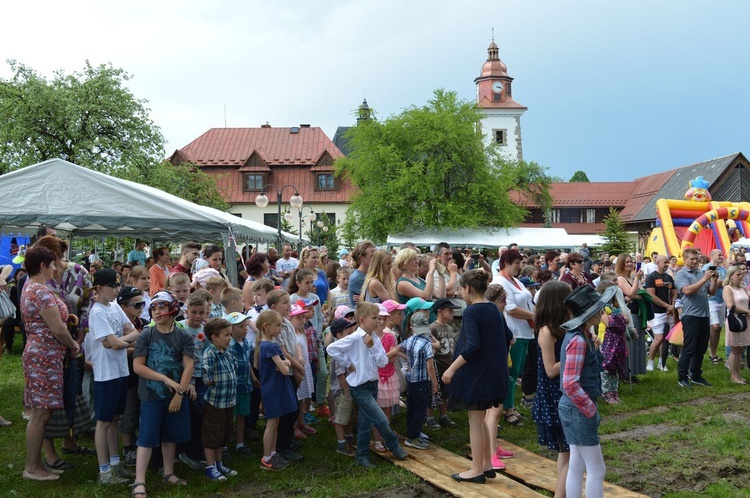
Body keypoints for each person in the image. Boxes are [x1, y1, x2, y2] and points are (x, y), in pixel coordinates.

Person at [442, 270, 509, 484]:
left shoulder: (472, 312)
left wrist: (451, 369)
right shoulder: (494, 308)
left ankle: (476, 469)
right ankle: (487, 465)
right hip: (494, 373)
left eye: (461, 289)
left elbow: (472, 346)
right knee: (480, 419)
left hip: (477, 376)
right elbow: (509, 337)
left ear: (467, 289)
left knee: (475, 421)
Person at [21, 245, 80, 481]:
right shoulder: (41, 291)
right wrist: (73, 345)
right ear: (44, 266)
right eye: (53, 264)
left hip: (43, 355)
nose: (57, 268)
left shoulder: (32, 288)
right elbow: (57, 329)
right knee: (40, 414)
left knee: (42, 413)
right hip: (44, 356)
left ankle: (36, 465)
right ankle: (32, 467)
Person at [326, 302, 409, 469]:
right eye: (375, 318)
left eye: (379, 318)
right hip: (360, 388)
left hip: (373, 385)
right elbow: (331, 349)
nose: (378, 321)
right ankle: (394, 446)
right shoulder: (354, 338)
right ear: (362, 319)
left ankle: (362, 455)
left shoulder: (374, 339)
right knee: (379, 418)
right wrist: (348, 362)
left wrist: (372, 347)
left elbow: (382, 361)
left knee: (365, 423)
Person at [131, 292, 194, 498]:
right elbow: (138, 366)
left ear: (173, 309)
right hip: (151, 396)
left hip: (175, 396)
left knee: (170, 436)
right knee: (146, 437)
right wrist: (165, 380)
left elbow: (188, 366)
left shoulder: (183, 336)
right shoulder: (146, 335)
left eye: (162, 307)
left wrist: (179, 394)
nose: (157, 311)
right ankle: (139, 480)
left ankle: (168, 472)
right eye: (154, 308)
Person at [558, 284, 618, 498]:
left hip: (572, 408)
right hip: (578, 409)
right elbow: (570, 383)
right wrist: (590, 408)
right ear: (589, 314)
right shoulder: (578, 341)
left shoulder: (581, 336)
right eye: (598, 309)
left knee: (577, 463)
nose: (602, 312)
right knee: (597, 469)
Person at [89, 268, 139, 484]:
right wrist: (121, 341)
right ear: (100, 288)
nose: (118, 289)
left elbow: (134, 332)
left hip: (120, 370)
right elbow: (118, 342)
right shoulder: (97, 311)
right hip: (105, 374)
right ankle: (104, 471)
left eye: (118, 285)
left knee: (114, 420)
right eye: (114, 285)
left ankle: (115, 464)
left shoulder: (115, 306)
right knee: (103, 422)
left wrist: (119, 341)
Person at [533, 281, 572, 498]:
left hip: (565, 392)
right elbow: (550, 370)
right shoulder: (547, 331)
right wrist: (576, 354)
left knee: (565, 452)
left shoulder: (564, 327)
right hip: (555, 396)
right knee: (571, 453)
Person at [491, 249, 534, 426]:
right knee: (511, 372)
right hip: (513, 331)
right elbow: (510, 308)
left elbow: (527, 302)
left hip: (525, 331)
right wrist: (534, 317)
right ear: (507, 263)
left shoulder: (515, 281)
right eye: (517, 263)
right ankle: (507, 410)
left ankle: (510, 406)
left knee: (517, 371)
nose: (520, 266)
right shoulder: (500, 281)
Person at [256, 309, 297, 471]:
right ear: (267, 327)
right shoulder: (268, 347)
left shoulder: (270, 345)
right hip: (272, 389)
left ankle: (273, 453)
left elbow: (285, 362)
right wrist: (284, 364)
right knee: (272, 423)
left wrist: (283, 363)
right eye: (278, 325)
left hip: (277, 387)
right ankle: (266, 457)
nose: (280, 328)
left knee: (276, 421)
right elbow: (286, 368)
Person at [201, 317, 239, 481]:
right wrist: (212, 380)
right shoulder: (210, 353)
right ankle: (210, 466)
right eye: (226, 335)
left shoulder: (228, 352)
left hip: (229, 401)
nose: (229, 338)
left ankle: (218, 463)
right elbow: (206, 375)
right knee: (212, 434)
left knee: (224, 433)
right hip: (215, 402)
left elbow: (234, 368)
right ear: (214, 336)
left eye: (230, 335)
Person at [674, 248, 718, 388]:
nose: (695, 261)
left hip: (704, 314)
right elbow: (687, 291)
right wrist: (705, 278)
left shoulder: (700, 273)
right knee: (689, 347)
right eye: (692, 259)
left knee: (701, 348)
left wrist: (714, 281)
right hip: (691, 315)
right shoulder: (681, 274)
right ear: (685, 259)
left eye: (696, 258)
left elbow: (711, 292)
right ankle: (682, 377)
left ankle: (696, 375)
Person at [397, 313, 439, 450]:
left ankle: (413, 432)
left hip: (411, 381)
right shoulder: (426, 344)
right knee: (420, 411)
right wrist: (435, 384)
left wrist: (409, 359)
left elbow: (397, 350)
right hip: (422, 382)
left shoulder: (409, 340)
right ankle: (413, 438)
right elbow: (430, 367)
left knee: (412, 408)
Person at [227, 312, 257, 457]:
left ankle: (240, 443)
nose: (245, 329)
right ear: (231, 329)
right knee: (228, 417)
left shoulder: (246, 344)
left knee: (242, 415)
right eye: (240, 326)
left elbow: (247, 362)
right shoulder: (228, 345)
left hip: (245, 385)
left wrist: (253, 377)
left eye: (245, 326)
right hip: (231, 388)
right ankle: (225, 444)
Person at [329, 318, 358, 456]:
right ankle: (341, 443)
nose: (352, 334)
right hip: (343, 389)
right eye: (349, 332)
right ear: (339, 335)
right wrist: (347, 390)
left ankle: (349, 436)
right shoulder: (338, 350)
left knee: (349, 415)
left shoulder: (347, 347)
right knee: (341, 417)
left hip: (349, 388)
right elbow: (340, 373)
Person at [596, 281, 629, 405]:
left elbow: (625, 318)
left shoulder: (615, 305)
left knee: (615, 366)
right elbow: (609, 322)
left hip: (618, 339)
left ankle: (614, 391)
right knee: (606, 366)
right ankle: (606, 392)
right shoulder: (601, 306)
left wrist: (619, 318)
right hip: (606, 339)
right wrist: (620, 318)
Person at [615, 253, 647, 379]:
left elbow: (644, 294)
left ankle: (635, 371)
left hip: (638, 313)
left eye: (631, 261)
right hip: (629, 314)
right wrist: (636, 289)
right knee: (630, 344)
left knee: (637, 343)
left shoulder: (632, 279)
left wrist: (636, 294)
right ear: (621, 264)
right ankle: (627, 373)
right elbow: (631, 294)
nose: (630, 264)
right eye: (627, 262)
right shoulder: (621, 279)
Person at [644, 255, 676, 372]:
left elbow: (674, 292)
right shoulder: (651, 277)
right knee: (658, 338)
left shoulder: (669, 277)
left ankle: (662, 363)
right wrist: (666, 305)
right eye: (664, 262)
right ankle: (650, 362)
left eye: (668, 262)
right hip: (656, 312)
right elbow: (651, 295)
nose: (667, 264)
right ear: (657, 263)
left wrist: (671, 306)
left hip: (669, 312)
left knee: (666, 338)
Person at [722, 265, 750, 384]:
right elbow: (730, 305)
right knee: (735, 348)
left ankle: (738, 375)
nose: (741, 276)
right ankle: (733, 376)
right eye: (738, 275)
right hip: (735, 319)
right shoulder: (728, 289)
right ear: (731, 275)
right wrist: (747, 311)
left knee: (741, 348)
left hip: (746, 320)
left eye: (742, 274)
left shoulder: (743, 288)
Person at [703, 249, 727, 364]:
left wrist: (720, 282)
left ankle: (714, 352)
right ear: (712, 255)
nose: (721, 257)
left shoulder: (723, 270)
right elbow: (706, 281)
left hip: (721, 301)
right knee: (715, 326)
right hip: (710, 300)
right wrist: (716, 282)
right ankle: (711, 353)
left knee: (719, 329)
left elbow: (726, 283)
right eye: (719, 255)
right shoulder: (707, 267)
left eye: (722, 255)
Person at [348, 241, 376, 305]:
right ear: (361, 258)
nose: (375, 259)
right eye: (372, 256)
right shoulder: (357, 278)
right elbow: (378, 299)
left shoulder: (372, 274)